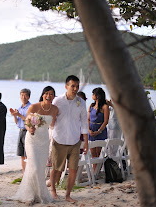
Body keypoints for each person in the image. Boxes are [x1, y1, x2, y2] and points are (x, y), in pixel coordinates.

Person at [11, 86, 58, 205]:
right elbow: (26, 123)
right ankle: (29, 196)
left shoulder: (55, 109)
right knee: (34, 166)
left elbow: (52, 125)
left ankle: (37, 194)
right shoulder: (34, 107)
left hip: (44, 140)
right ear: (43, 95)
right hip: (32, 139)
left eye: (51, 94)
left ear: (54, 96)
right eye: (46, 93)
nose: (49, 96)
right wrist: (30, 128)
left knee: (40, 168)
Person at [50, 75, 88, 203]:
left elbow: (84, 123)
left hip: (75, 141)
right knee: (56, 168)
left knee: (73, 169)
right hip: (59, 139)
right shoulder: (57, 101)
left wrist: (86, 141)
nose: (75, 88)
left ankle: (68, 195)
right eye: (73, 86)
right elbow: (51, 119)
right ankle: (53, 191)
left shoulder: (81, 102)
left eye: (77, 86)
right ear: (66, 86)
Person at [10, 88, 31, 174]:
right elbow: (17, 123)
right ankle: (24, 173)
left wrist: (18, 114)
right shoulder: (19, 107)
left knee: (27, 155)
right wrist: (15, 116)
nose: (23, 97)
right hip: (21, 132)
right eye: (22, 95)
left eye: (25, 95)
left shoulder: (30, 107)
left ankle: (28, 174)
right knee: (21, 155)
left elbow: (28, 121)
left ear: (29, 97)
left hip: (28, 132)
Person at [88, 87, 110, 172]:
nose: (92, 96)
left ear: (97, 96)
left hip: (100, 130)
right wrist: (89, 130)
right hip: (91, 129)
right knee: (93, 153)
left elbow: (106, 121)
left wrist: (99, 131)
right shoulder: (91, 106)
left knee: (98, 153)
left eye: (93, 94)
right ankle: (95, 171)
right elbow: (88, 119)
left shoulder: (105, 106)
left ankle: (96, 172)